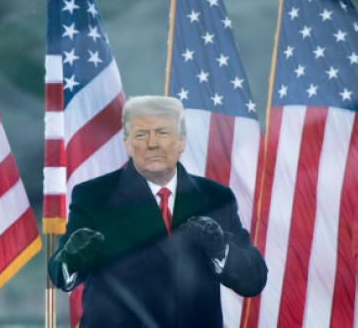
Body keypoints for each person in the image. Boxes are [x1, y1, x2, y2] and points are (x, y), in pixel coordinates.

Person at [48, 95, 267, 328]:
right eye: (141, 134)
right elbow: (61, 275)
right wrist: (71, 258)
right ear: (128, 144)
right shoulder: (94, 196)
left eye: (162, 133)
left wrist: (221, 249)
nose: (152, 143)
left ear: (182, 141)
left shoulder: (216, 197)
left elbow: (253, 281)